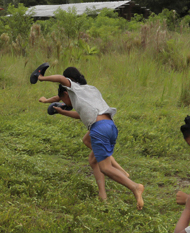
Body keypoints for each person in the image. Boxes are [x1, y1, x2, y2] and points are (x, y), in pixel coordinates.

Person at [31, 64, 144, 210]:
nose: (65, 104)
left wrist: (40, 77)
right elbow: (81, 114)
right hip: (110, 126)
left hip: (99, 129)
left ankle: (134, 187)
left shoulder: (74, 88)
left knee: (105, 168)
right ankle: (103, 195)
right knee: (92, 156)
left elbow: (60, 79)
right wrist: (58, 109)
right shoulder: (90, 90)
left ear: (67, 88)